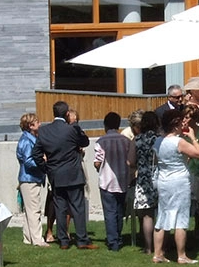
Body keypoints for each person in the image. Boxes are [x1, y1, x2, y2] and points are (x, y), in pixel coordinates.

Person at [32, 101, 97, 249]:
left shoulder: (44, 131)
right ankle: (81, 240)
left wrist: (46, 168)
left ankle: (63, 241)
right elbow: (85, 142)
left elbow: (35, 154)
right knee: (78, 208)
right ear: (67, 114)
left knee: (60, 208)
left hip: (56, 174)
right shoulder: (71, 130)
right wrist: (76, 127)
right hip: (73, 174)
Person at [151, 109, 199, 264]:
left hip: (163, 180)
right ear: (175, 125)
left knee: (162, 217)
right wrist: (193, 138)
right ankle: (181, 255)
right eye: (181, 122)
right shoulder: (178, 142)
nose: (183, 124)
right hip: (179, 181)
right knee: (180, 217)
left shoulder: (158, 141)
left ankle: (157, 254)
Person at [93, 112, 135, 252]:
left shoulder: (101, 141)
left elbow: (98, 162)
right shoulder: (126, 141)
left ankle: (113, 241)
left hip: (106, 180)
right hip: (123, 179)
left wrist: (98, 166)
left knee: (110, 212)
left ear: (105, 125)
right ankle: (118, 237)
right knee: (119, 211)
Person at [16, 113, 49, 247]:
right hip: (30, 178)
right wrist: (43, 161)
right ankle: (37, 239)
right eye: (37, 122)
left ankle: (28, 237)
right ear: (30, 126)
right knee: (34, 209)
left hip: (30, 178)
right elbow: (28, 161)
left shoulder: (30, 139)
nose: (40, 124)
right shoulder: (26, 141)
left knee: (29, 210)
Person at [132, 111, 161, 253]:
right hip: (160, 177)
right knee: (162, 213)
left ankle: (149, 248)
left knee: (147, 215)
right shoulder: (160, 139)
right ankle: (161, 247)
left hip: (143, 179)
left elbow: (130, 161)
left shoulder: (137, 139)